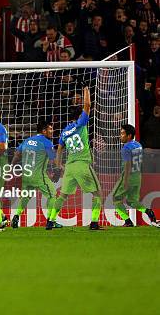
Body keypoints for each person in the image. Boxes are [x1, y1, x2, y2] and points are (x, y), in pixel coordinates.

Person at [48, 86, 103, 230]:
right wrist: (86, 91)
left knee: (62, 196)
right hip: (82, 164)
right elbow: (87, 105)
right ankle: (94, 223)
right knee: (98, 194)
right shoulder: (81, 124)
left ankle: (51, 220)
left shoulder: (64, 132)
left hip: (69, 167)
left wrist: (59, 165)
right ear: (79, 117)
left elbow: (59, 149)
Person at [10, 120, 60, 229]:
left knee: (26, 196)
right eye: (50, 129)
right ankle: (51, 221)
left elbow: (17, 154)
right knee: (52, 195)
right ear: (43, 131)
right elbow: (53, 158)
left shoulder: (27, 140)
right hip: (39, 176)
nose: (52, 131)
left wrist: (11, 167)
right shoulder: (46, 142)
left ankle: (16, 216)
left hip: (26, 176)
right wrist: (58, 170)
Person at [112, 124, 158, 227]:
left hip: (128, 177)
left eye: (123, 133)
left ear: (129, 136)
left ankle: (127, 221)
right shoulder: (138, 145)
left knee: (116, 198)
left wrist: (125, 181)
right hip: (137, 177)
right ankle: (148, 211)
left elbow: (128, 165)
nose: (121, 135)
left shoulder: (126, 148)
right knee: (131, 201)